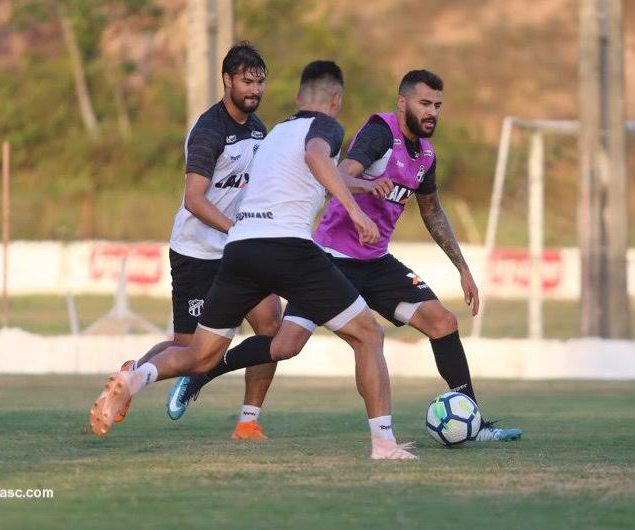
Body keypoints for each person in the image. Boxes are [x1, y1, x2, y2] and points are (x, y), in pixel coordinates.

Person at [168, 69, 522, 442]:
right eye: (424, 103)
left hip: (376, 263)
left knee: (443, 323)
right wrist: (365, 191)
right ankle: (204, 371)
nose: (432, 111)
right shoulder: (380, 133)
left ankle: (473, 420)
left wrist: (462, 268)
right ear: (403, 103)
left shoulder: (426, 156)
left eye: (437, 105)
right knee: (284, 346)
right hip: (330, 259)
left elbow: (432, 212)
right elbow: (341, 173)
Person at [89, 60, 417, 460]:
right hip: (285, 248)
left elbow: (317, 172)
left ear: (297, 98)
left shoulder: (275, 132)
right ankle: (383, 443)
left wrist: (363, 186)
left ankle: (138, 377)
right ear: (336, 100)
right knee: (369, 334)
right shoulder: (327, 127)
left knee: (202, 354)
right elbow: (317, 159)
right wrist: (356, 211)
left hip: (241, 249)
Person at [111, 42, 281, 441]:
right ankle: (130, 377)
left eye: (260, 82)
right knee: (191, 354)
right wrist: (235, 230)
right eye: (246, 81)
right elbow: (194, 199)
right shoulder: (209, 130)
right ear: (227, 81)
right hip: (197, 253)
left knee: (273, 326)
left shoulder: (259, 130)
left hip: (239, 253)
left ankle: (248, 422)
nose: (254, 90)